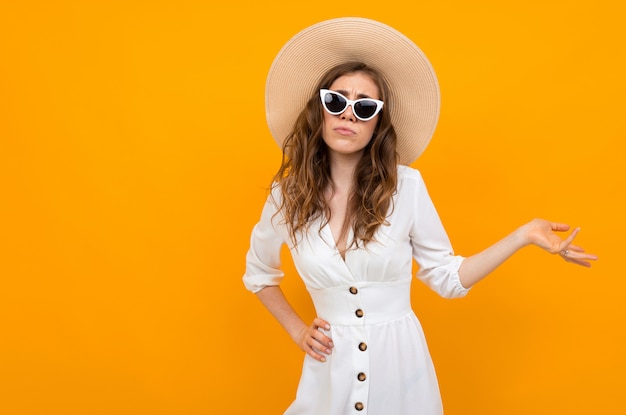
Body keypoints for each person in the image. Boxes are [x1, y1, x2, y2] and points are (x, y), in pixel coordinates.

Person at [243, 17, 597, 415]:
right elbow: (259, 274)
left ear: (377, 123)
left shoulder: (406, 188)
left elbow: (446, 278)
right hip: (329, 375)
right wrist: (297, 330)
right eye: (336, 101)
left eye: (364, 107)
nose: (348, 115)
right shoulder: (287, 196)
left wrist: (523, 235)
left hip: (402, 374)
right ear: (319, 109)